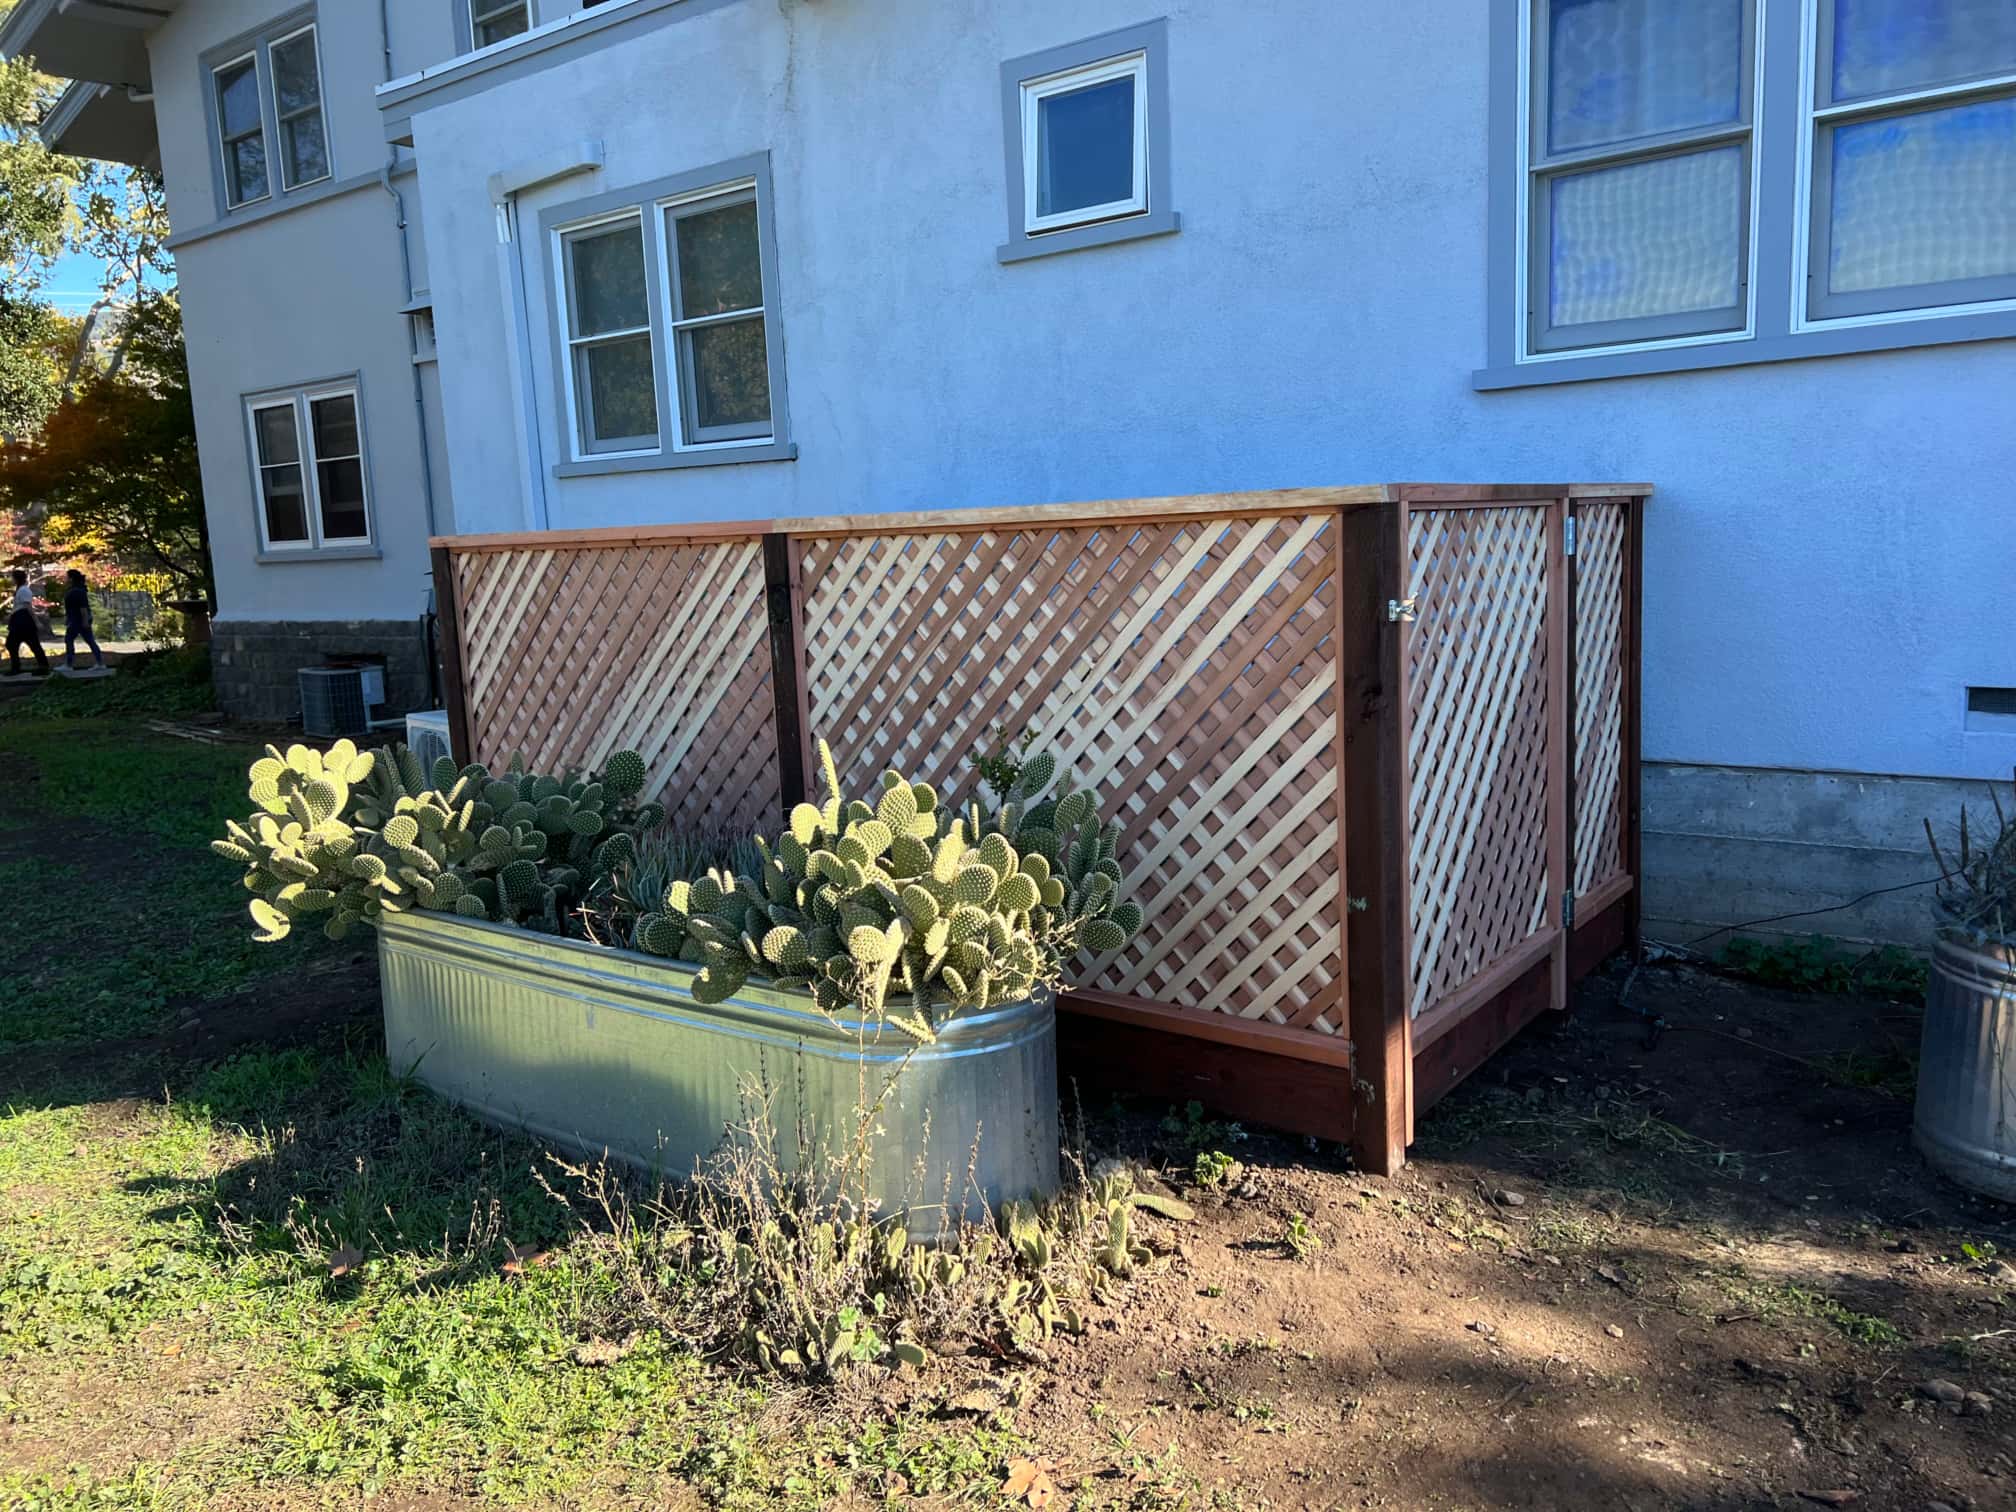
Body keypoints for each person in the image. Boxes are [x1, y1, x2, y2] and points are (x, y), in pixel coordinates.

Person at [6, 568, 47, 677]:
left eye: (12, 577)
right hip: (19, 619)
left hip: (23, 620)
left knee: (28, 644)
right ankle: (17, 667)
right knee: (14, 644)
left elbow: (28, 607)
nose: (11, 579)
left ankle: (41, 666)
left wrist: (36, 621)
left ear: (16, 578)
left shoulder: (24, 590)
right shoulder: (20, 589)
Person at [62, 569, 105, 672]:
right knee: (89, 640)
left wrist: (85, 621)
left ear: (71, 578)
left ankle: (69, 664)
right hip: (76, 618)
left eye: (67, 577)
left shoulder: (77, 591)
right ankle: (100, 663)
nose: (65, 579)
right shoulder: (77, 590)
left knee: (69, 639)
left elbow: (83, 607)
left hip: (78, 619)